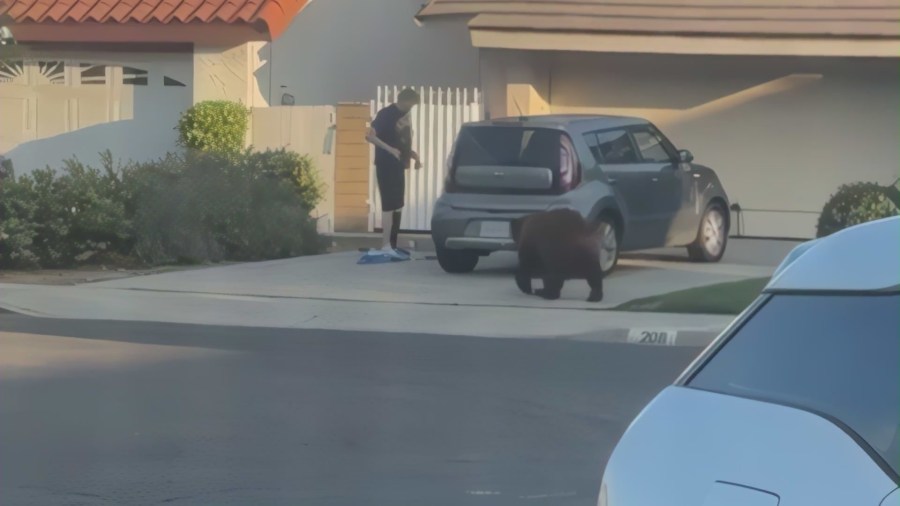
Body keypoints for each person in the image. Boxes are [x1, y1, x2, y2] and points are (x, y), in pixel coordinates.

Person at [366, 88, 422, 257]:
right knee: (389, 204)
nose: (411, 108)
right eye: (411, 105)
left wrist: (412, 154)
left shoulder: (405, 115)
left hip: (399, 164)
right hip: (386, 163)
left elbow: (400, 140)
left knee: (398, 204)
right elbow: (369, 136)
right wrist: (390, 150)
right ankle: (385, 245)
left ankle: (393, 244)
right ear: (404, 101)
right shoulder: (386, 114)